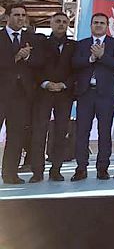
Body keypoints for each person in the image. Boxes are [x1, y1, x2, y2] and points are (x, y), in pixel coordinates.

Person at [71, 13, 114, 181]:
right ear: (91, 25)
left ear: (107, 26)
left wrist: (102, 56)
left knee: (105, 132)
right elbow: (74, 63)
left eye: (102, 23)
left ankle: (102, 168)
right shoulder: (81, 44)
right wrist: (91, 58)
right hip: (85, 93)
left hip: (106, 94)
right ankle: (81, 168)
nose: (99, 25)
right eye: (96, 22)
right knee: (82, 132)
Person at [30, 12, 75, 182]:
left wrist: (64, 84)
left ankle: (56, 169)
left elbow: (76, 69)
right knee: (39, 132)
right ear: (51, 23)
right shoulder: (40, 43)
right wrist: (45, 83)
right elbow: (34, 67)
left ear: (68, 24)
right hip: (43, 93)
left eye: (64, 22)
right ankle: (37, 171)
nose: (61, 24)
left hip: (64, 94)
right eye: (57, 21)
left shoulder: (73, 45)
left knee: (61, 132)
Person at [0, 4, 42, 184]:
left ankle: (10, 174)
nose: (20, 18)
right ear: (7, 17)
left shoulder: (31, 39)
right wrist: (15, 57)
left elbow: (40, 62)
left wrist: (28, 57)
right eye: (16, 14)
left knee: (15, 136)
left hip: (21, 95)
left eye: (23, 15)